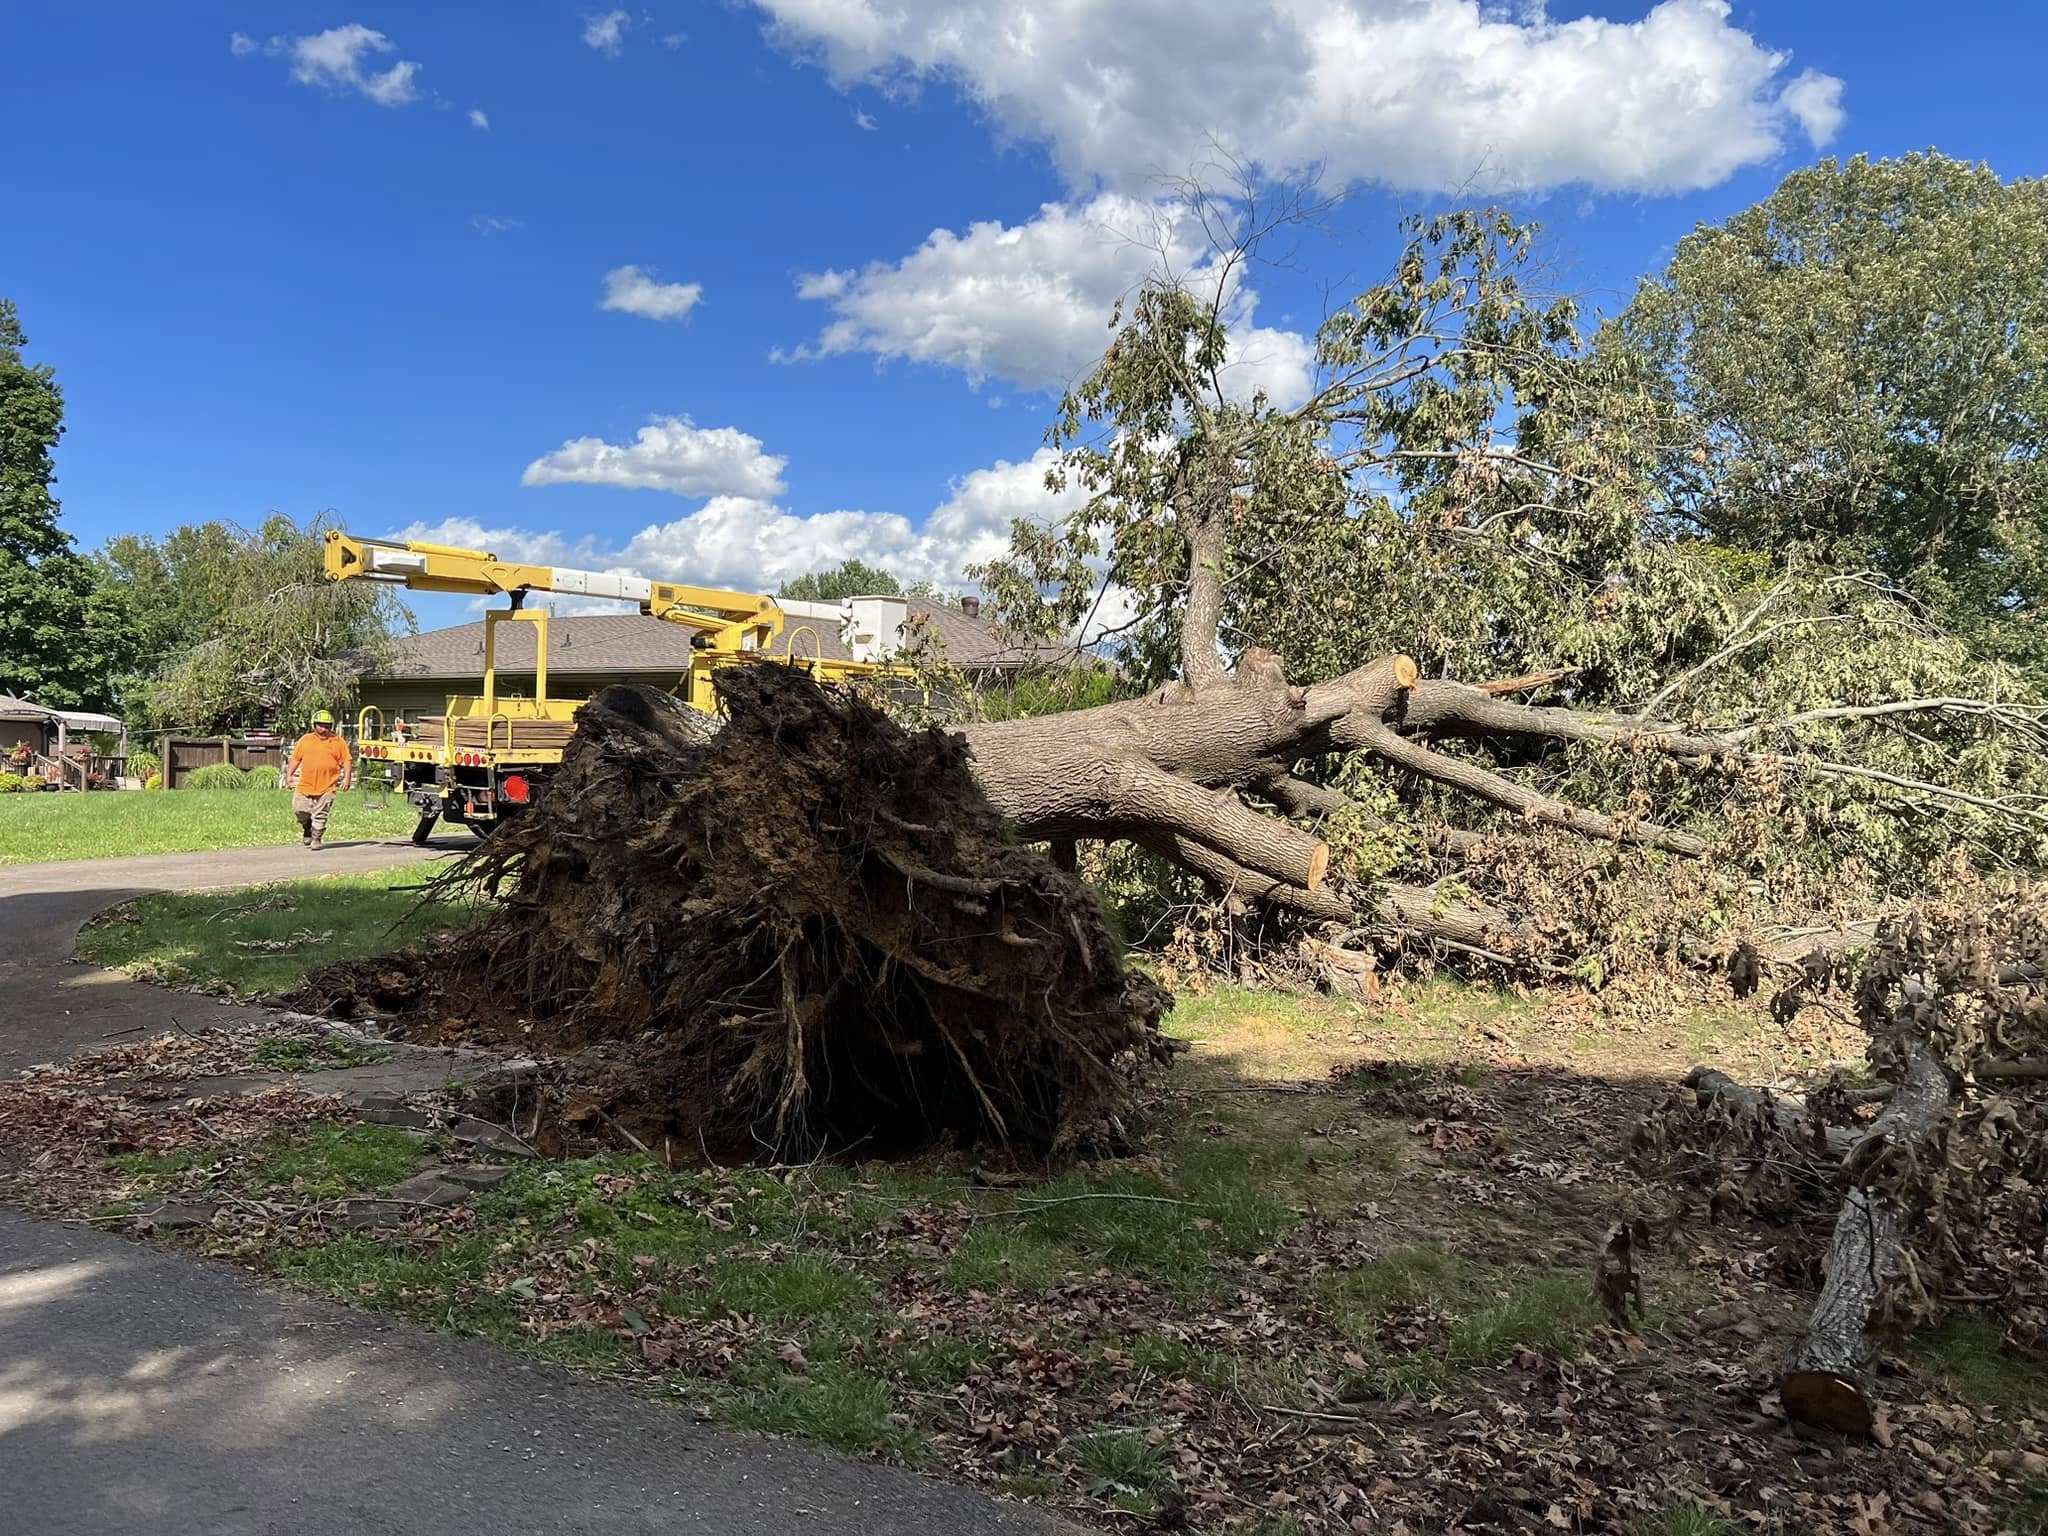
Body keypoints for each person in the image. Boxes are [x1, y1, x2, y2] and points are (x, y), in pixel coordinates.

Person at [286, 709, 353, 850]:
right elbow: (296, 759)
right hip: (305, 785)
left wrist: (347, 778)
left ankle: (316, 838)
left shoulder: (338, 741)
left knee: (321, 813)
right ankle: (307, 827)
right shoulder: (305, 740)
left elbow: (346, 760)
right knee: (300, 810)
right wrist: (289, 775)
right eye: (321, 725)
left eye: (327, 726)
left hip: (328, 786)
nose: (324, 729)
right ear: (314, 725)